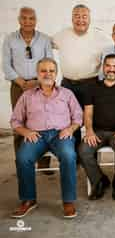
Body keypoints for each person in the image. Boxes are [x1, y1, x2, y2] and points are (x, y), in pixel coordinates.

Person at [10, 58, 82, 219]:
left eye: (51, 71)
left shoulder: (67, 94)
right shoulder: (27, 96)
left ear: (56, 74)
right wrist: (26, 132)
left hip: (61, 134)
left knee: (69, 156)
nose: (47, 74)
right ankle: (28, 199)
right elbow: (15, 121)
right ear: (37, 74)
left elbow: (78, 116)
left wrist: (70, 128)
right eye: (43, 70)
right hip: (36, 135)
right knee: (23, 158)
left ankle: (68, 201)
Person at [53, 4, 112, 149]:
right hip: (68, 83)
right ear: (72, 18)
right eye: (77, 16)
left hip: (91, 83)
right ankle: (74, 156)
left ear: (90, 18)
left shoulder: (101, 37)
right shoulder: (61, 35)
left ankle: (90, 152)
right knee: (69, 119)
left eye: (84, 16)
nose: (80, 20)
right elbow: (43, 44)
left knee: (91, 119)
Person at [79, 54, 115, 201]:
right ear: (103, 67)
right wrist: (89, 131)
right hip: (97, 132)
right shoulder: (92, 87)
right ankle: (99, 181)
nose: (111, 69)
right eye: (108, 66)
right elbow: (88, 113)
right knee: (83, 150)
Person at [2, 7, 53, 169]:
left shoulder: (44, 39)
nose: (27, 21)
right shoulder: (10, 39)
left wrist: (39, 81)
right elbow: (6, 65)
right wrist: (22, 83)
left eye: (31, 18)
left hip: (41, 85)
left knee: (42, 121)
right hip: (18, 86)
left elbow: (49, 63)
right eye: (24, 18)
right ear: (19, 20)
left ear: (36, 20)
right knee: (20, 123)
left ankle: (43, 164)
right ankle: (22, 164)